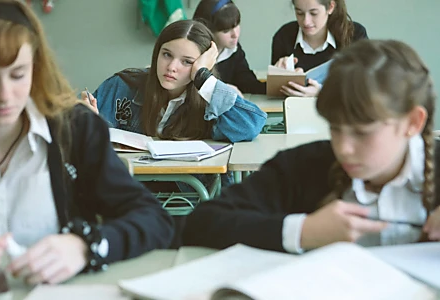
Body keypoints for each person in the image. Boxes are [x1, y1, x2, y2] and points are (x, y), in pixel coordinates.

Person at [0, 0, 174, 283]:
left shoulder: (75, 129)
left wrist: (86, 246)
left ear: (35, 67)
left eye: (18, 74)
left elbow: (154, 220)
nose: (5, 96)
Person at [183, 39, 440, 253]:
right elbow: (201, 224)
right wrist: (303, 232)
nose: (344, 148)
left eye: (362, 133)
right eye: (336, 128)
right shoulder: (304, 165)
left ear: (412, 122)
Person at [86, 19, 267, 143]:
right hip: (131, 190)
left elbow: (251, 126)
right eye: (167, 55)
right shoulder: (122, 86)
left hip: (190, 195)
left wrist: (203, 78)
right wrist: (84, 121)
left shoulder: (212, 99)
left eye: (187, 62)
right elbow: (84, 140)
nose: (172, 67)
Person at [271, 0, 368, 97]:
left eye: (314, 13)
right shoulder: (284, 36)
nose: (306, 21)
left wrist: (322, 93)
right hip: (293, 109)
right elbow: (276, 94)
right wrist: (280, 75)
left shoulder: (354, 34)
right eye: (299, 13)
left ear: (330, 7)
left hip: (339, 110)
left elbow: (366, 86)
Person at [192, 0, 266, 95]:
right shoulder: (193, 55)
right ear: (208, 31)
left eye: (237, 25)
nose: (235, 34)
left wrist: (277, 85)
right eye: (226, 31)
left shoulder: (233, 49)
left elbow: (247, 83)